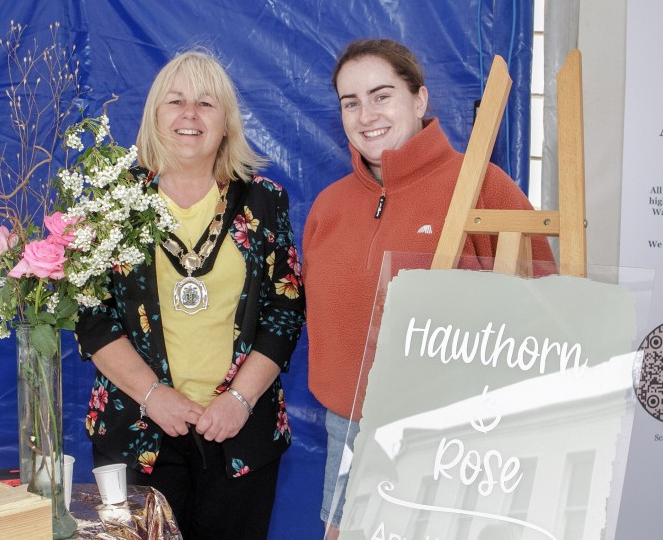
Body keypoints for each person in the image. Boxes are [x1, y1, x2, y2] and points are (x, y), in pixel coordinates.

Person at [302, 39, 556, 539]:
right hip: (350, 428)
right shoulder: (328, 207)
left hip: (454, 437)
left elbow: (547, 310)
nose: (365, 114)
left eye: (382, 95)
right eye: (350, 102)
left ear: (419, 100)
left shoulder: (483, 186)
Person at [76, 49, 306, 539]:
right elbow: (93, 319)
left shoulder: (265, 199)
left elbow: (285, 312)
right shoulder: (112, 200)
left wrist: (239, 401)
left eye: (206, 103)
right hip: (135, 429)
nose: (189, 115)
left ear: (226, 122)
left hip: (241, 430)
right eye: (175, 101)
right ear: (154, 115)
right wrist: (154, 396)